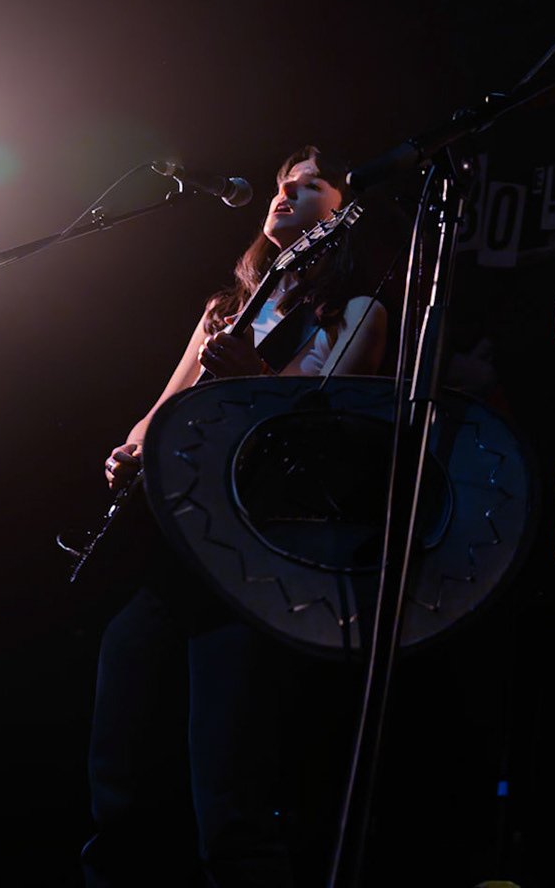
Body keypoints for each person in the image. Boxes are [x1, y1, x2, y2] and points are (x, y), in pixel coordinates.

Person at [83, 145, 389, 888]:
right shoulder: (225, 307)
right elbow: (165, 404)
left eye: (311, 184)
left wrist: (255, 380)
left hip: (261, 549)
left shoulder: (359, 311)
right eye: (283, 184)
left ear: (344, 211)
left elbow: (328, 429)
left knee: (229, 781)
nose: (286, 193)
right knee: (121, 748)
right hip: (180, 542)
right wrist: (129, 449)